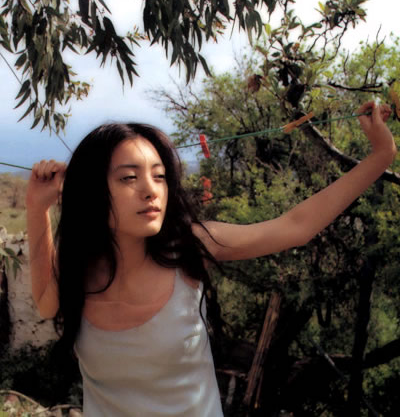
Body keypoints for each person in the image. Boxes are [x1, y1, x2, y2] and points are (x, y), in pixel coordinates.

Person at [26, 101, 396, 416]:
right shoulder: (77, 270)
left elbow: (295, 227)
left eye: (159, 176)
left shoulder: (190, 248)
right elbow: (45, 302)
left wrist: (381, 156)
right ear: (93, 190)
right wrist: (36, 208)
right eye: (128, 178)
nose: (151, 190)